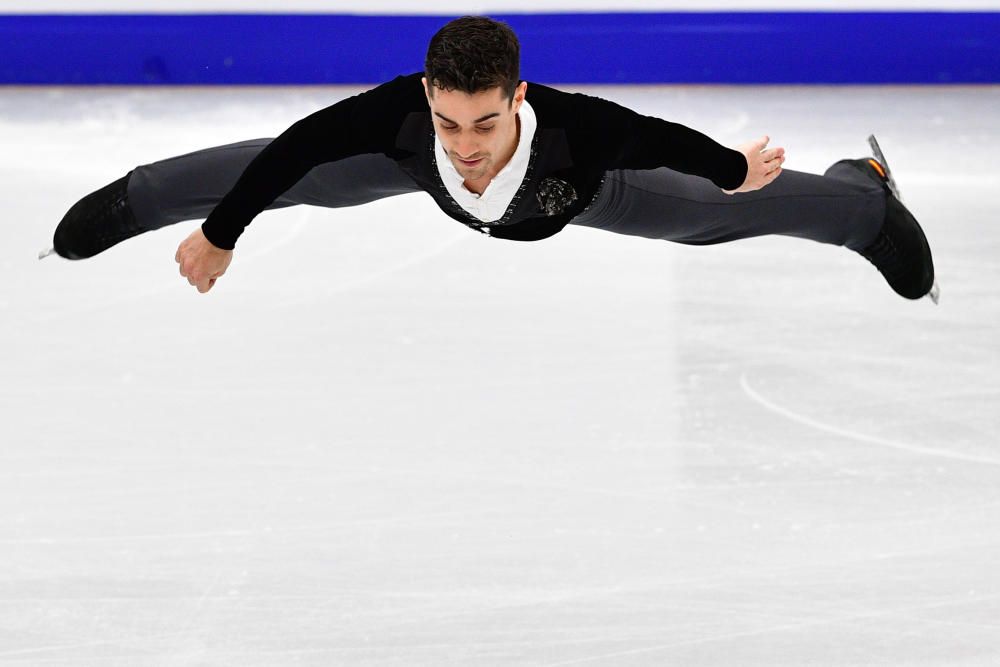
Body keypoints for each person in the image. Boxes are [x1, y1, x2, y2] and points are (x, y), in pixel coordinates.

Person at [47, 15, 936, 302]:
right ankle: (135, 199)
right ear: (429, 99)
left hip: (568, 195)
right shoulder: (410, 122)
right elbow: (293, 149)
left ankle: (865, 204)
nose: (465, 145)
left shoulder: (578, 132)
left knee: (706, 217)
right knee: (295, 175)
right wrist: (219, 231)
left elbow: (663, 141)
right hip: (413, 181)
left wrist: (730, 167)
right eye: (447, 121)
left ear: (515, 98)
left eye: (481, 123)